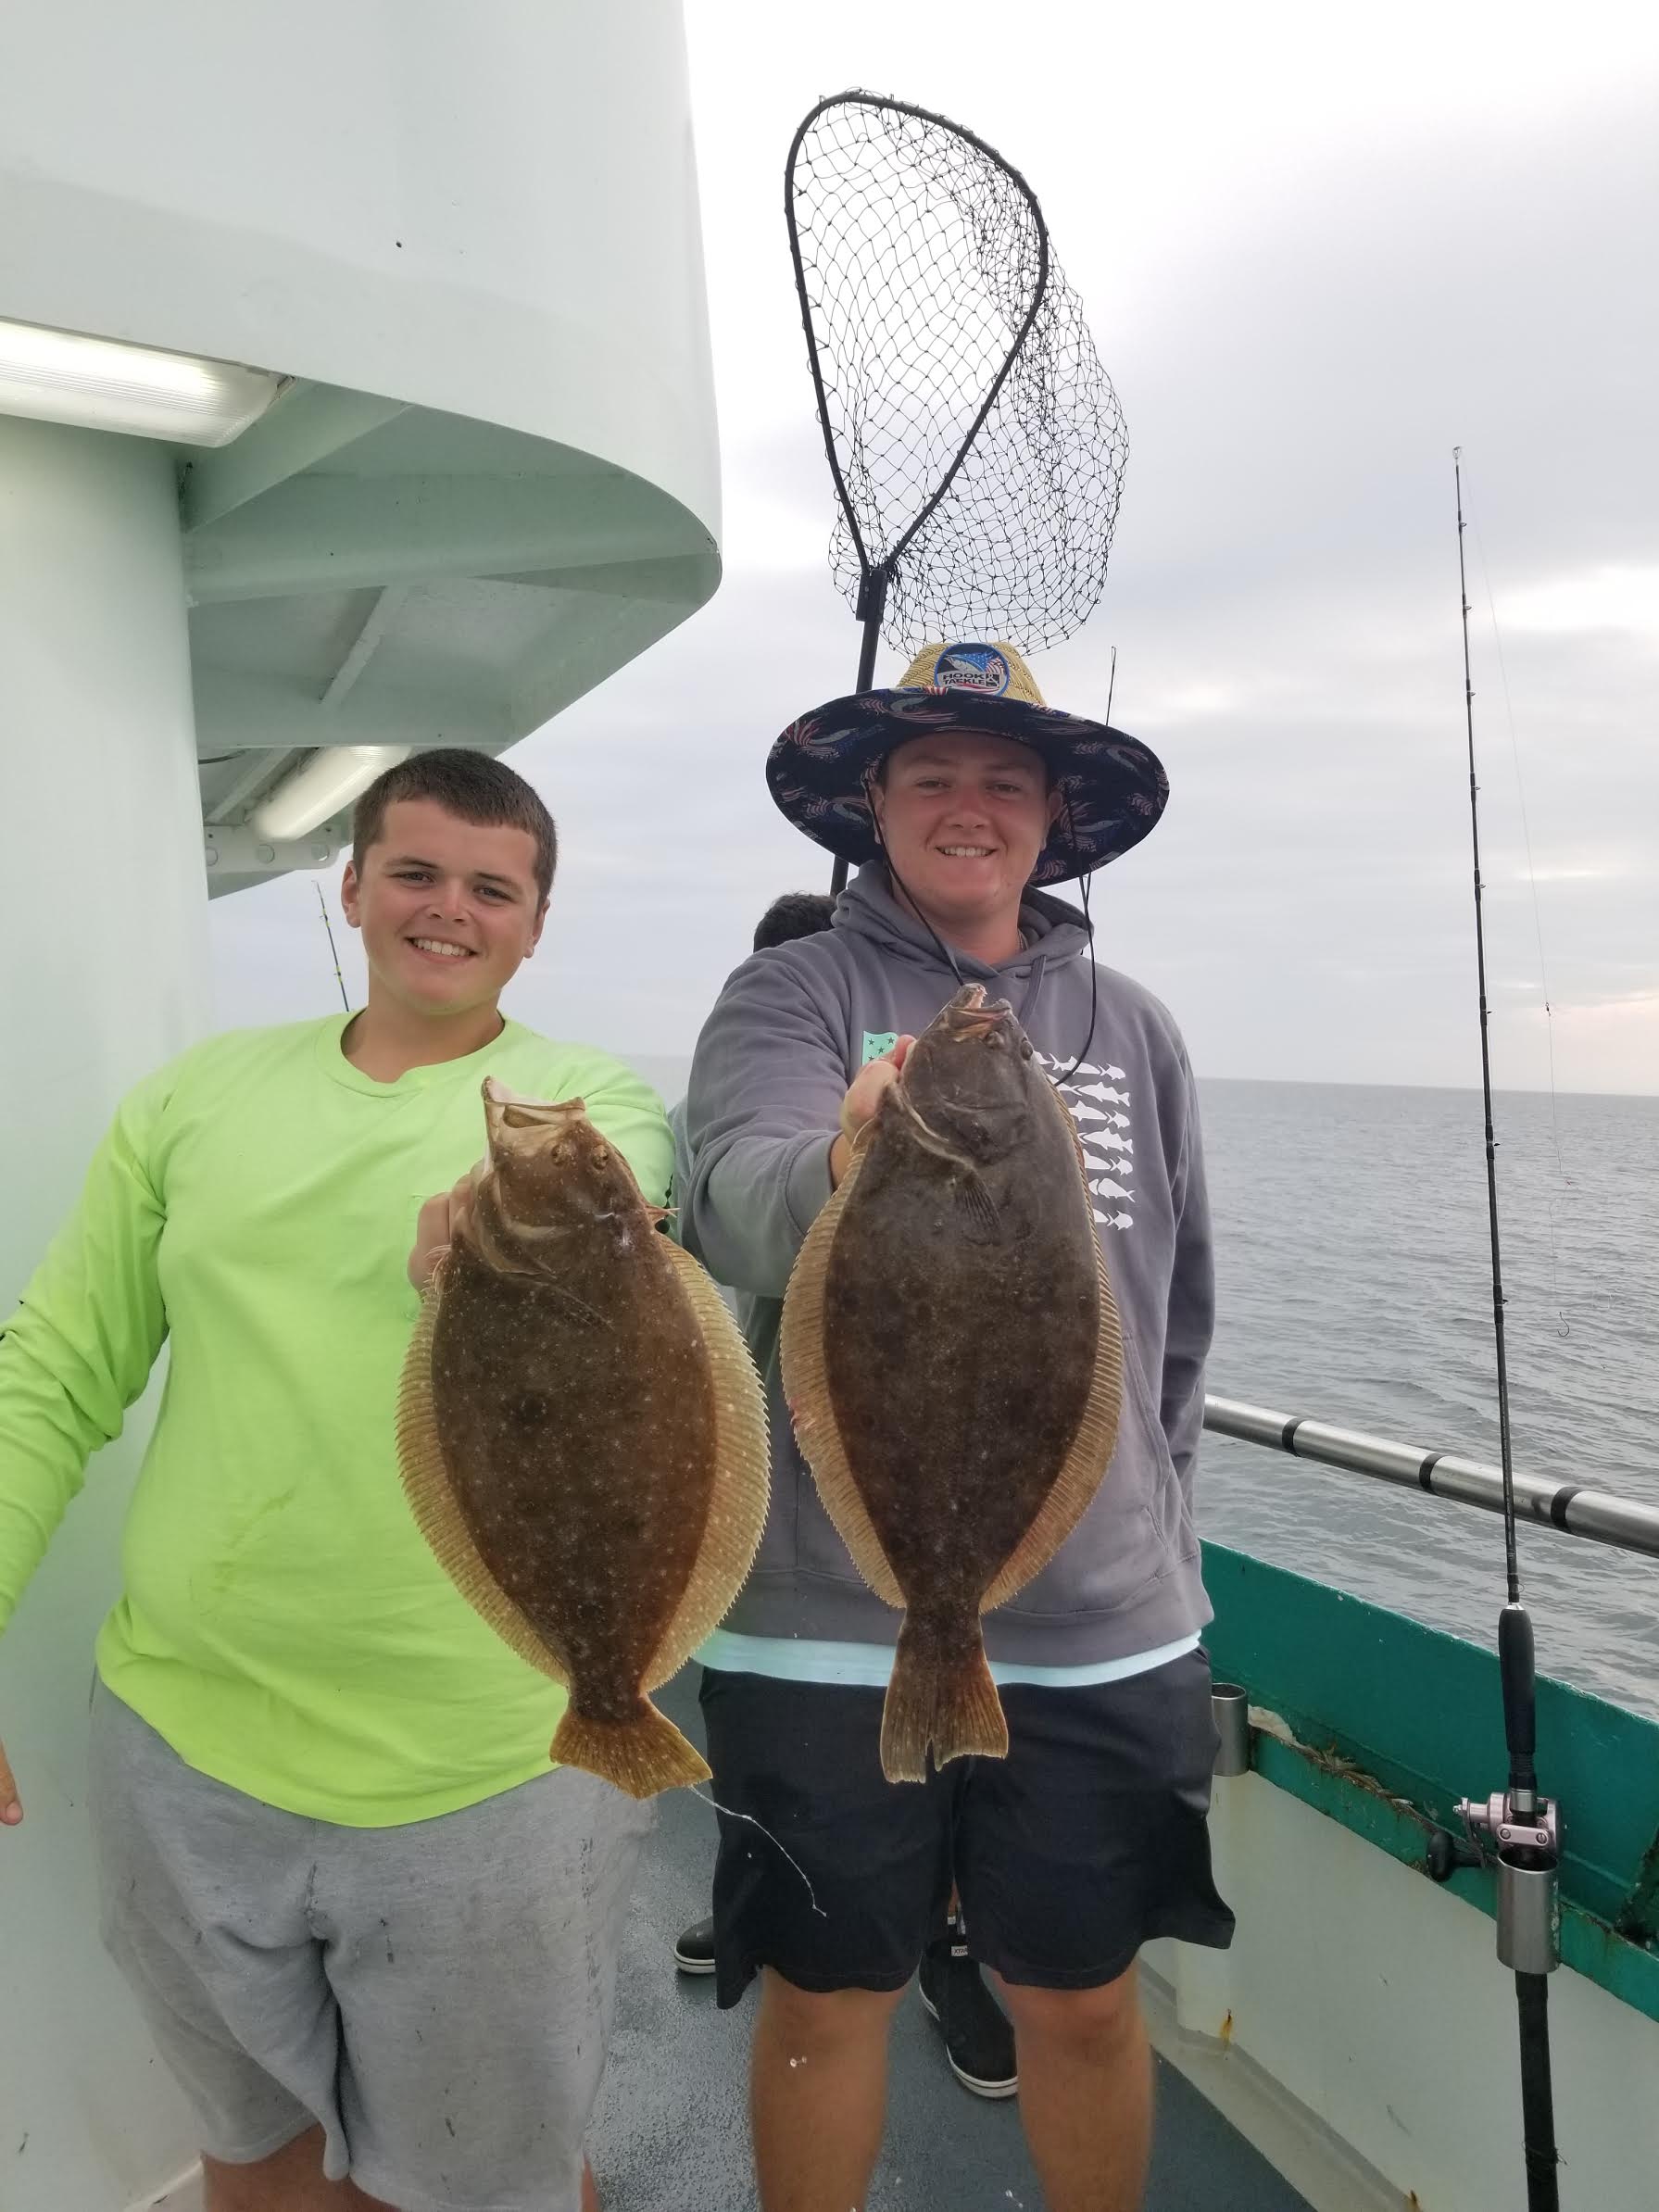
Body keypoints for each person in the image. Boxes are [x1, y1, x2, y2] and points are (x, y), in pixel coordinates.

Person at [0, 750, 671, 2212]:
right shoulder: (192, 1102)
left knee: (491, 2184)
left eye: (492, 888)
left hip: (488, 1772)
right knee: (248, 2153)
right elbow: (51, 1371)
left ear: (536, 924)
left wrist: (505, 1246)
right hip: (182, 1753)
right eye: (416, 872)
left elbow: (636, 1187)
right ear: (352, 885)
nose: (449, 909)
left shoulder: (582, 1102)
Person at [677, 640, 1234, 2212]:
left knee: (1083, 1996)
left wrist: (1157, 1533)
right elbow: (727, 1204)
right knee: (826, 1996)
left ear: (1057, 815)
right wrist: (845, 1162)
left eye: (1005, 779)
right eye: (931, 776)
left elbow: (1172, 1315)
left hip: (1101, 1625)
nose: (968, 807)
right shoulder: (794, 994)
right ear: (873, 806)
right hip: (826, 1620)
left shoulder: (1138, 1027)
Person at [670, 889, 1020, 2103]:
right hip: (786, 1520)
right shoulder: (738, 1111)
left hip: (925, 1464)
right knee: (808, 1831)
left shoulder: (947, 1095)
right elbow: (720, 1210)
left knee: (956, 1767)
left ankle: (946, 1943)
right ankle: (760, 1902)